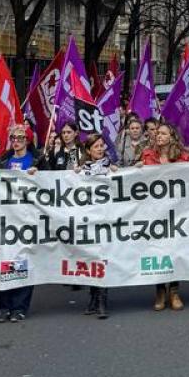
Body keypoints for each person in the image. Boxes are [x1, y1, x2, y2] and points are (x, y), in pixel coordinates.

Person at [0, 123, 38, 320]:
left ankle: (20, 307)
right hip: (5, 218)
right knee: (4, 259)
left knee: (24, 258)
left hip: (27, 218)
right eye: (13, 138)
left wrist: (38, 174)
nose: (16, 141)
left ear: (27, 140)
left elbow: (52, 182)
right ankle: (4, 306)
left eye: (20, 138)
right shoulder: (3, 160)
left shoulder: (37, 159)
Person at [141, 123, 189, 310]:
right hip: (154, 213)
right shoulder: (147, 155)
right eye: (157, 133)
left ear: (172, 136)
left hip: (177, 213)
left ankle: (174, 291)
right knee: (157, 250)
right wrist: (138, 168)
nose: (158, 136)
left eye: (163, 133)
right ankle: (160, 291)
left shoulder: (183, 157)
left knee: (175, 250)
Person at [80, 134, 114, 318]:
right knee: (91, 258)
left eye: (102, 146)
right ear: (88, 150)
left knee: (102, 257)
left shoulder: (112, 167)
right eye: (96, 146)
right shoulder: (80, 169)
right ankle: (93, 298)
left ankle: (102, 301)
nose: (100, 149)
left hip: (106, 219)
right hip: (88, 219)